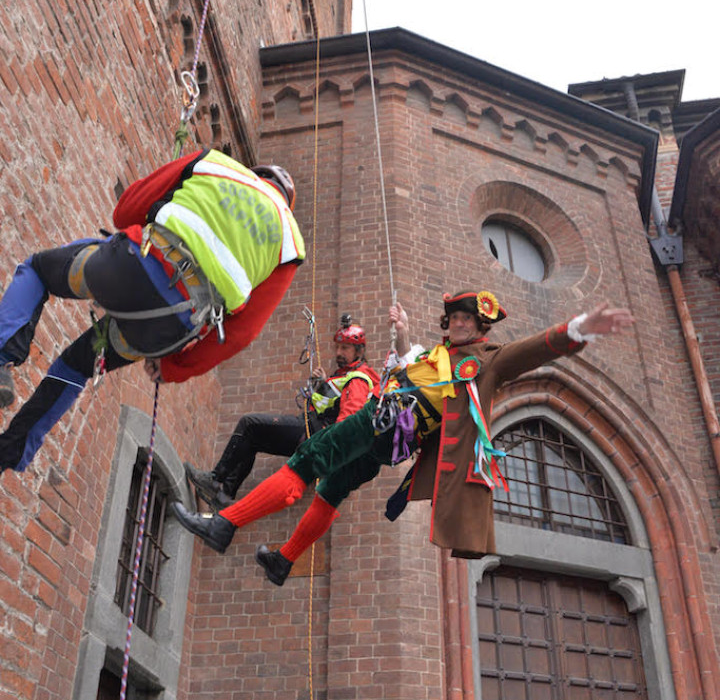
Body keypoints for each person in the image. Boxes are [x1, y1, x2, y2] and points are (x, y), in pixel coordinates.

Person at [170, 291, 634, 582]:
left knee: (308, 460)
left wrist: (578, 330)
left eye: (467, 318)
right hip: (390, 444)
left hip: (383, 423)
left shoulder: (486, 361)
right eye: (453, 315)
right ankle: (285, 560)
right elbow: (409, 363)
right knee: (331, 490)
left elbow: (531, 351)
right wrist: (404, 331)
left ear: (482, 326)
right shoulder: (435, 353)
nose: (457, 321)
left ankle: (224, 524)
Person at [0, 147, 304, 473]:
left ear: (254, 173)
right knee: (76, 367)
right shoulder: (290, 243)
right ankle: (12, 451)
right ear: (286, 202)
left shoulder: (215, 163)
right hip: (168, 326)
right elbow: (241, 334)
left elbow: (125, 211)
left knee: (37, 270)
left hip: (130, 266)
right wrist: (173, 367)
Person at [183, 315, 380, 510]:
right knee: (253, 438)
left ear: (359, 351)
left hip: (313, 434)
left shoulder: (358, 380)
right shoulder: (344, 376)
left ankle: (215, 479)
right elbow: (331, 405)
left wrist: (331, 455)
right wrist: (321, 385)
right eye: (337, 347)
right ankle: (224, 494)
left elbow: (349, 420)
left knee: (249, 424)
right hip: (312, 430)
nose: (338, 352)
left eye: (344, 348)